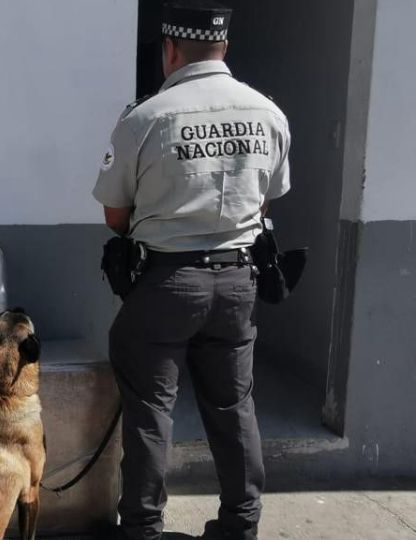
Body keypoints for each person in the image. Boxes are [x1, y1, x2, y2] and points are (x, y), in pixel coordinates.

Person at [92, 1, 291, 539]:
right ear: (224, 48)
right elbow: (267, 202)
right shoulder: (267, 113)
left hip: (165, 284)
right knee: (233, 406)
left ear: (170, 50)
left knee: (151, 410)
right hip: (238, 284)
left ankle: (142, 528)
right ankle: (240, 525)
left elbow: (115, 216)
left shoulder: (146, 117)